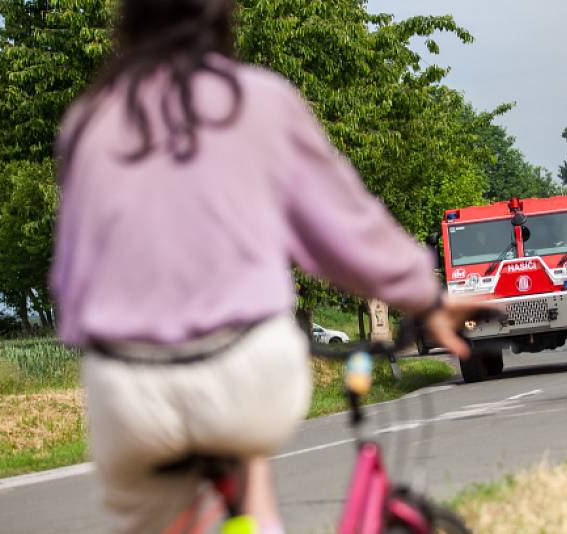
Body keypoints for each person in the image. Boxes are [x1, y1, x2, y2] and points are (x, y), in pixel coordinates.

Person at [50, 1, 487, 533]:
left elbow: (71, 289)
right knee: (249, 471)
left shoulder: (89, 118)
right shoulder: (258, 101)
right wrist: (427, 298)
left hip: (127, 386)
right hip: (243, 370)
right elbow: (346, 232)